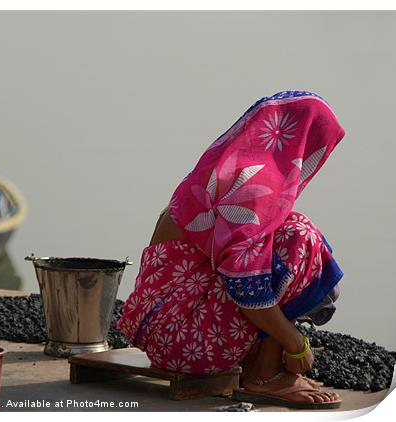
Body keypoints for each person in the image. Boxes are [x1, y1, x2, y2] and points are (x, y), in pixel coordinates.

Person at [117, 91, 346, 409]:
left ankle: (260, 363)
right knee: (300, 238)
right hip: (186, 342)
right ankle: (266, 376)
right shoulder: (254, 186)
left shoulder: (223, 168)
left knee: (281, 236)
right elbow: (246, 286)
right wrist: (294, 343)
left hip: (163, 329)